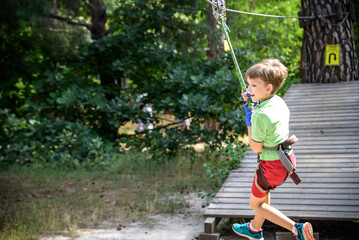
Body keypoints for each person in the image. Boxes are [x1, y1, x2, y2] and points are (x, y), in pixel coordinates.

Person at [232, 59, 315, 240]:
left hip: (272, 165)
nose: (249, 89)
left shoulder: (260, 115)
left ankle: (297, 228)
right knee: (264, 194)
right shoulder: (277, 101)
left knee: (256, 205)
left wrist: (249, 119)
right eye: (248, 84)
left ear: (268, 88)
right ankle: (254, 229)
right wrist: (253, 104)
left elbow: (255, 147)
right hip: (287, 159)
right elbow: (267, 115)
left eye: (254, 85)